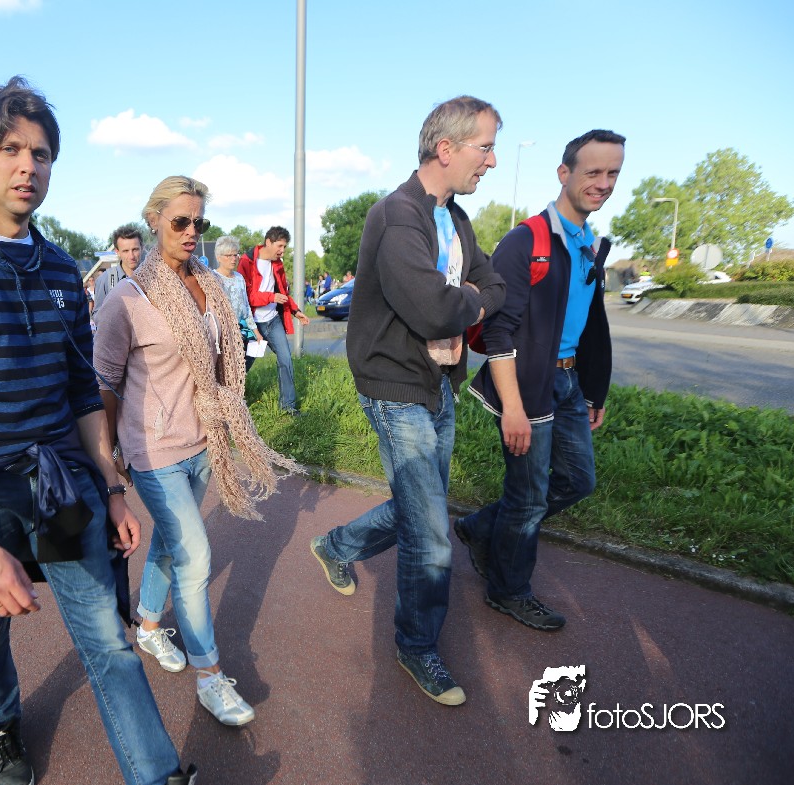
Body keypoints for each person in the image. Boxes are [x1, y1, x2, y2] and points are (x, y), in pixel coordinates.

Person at [0, 77, 245, 785]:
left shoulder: (60, 269)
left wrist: (110, 485)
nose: (27, 166)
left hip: (61, 484)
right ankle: (0, 722)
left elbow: (79, 388)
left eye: (41, 153)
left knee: (108, 637)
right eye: (9, 148)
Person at [307, 95, 506, 706]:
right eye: (485, 147)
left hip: (438, 383)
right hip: (396, 389)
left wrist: (471, 298)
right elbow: (432, 308)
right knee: (432, 531)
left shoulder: (455, 218)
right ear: (446, 149)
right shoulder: (397, 215)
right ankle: (416, 645)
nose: (492, 161)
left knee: (422, 509)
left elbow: (494, 282)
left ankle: (336, 546)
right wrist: (472, 300)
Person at [94, 177, 296, 728]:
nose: (191, 231)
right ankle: (210, 676)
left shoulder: (209, 284)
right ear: (154, 220)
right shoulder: (126, 300)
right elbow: (104, 383)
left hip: (205, 440)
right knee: (196, 555)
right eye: (180, 221)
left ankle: (148, 624)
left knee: (170, 542)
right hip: (153, 447)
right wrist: (108, 462)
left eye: (198, 222)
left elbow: (224, 362)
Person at [456, 130, 625, 632]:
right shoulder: (526, 240)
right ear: (564, 173)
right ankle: (507, 590)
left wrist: (593, 389)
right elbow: (497, 329)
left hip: (570, 384)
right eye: (593, 172)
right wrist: (513, 407)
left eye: (613, 173)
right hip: (528, 384)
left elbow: (591, 323)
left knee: (578, 480)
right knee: (528, 497)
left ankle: (481, 527)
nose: (603, 183)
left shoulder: (588, 243)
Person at [239, 226, 309, 415]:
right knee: (243, 365)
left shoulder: (277, 264)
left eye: (284, 247)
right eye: (280, 246)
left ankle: (288, 407)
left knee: (286, 359)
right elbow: (244, 297)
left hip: (273, 321)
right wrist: (271, 297)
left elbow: (283, 292)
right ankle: (232, 403)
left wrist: (296, 311)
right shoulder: (247, 261)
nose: (282, 251)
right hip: (253, 325)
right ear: (268, 242)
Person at [212, 235, 261, 372]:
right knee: (227, 369)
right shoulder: (213, 278)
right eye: (229, 255)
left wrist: (256, 332)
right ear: (219, 257)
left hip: (242, 330)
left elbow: (246, 307)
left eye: (235, 255)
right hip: (223, 333)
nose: (233, 259)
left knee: (247, 361)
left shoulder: (239, 278)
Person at [92, 223, 144, 316]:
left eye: (135, 249)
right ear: (117, 252)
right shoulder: (105, 280)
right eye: (126, 251)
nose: (131, 256)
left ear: (142, 248)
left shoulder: (153, 278)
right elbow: (98, 315)